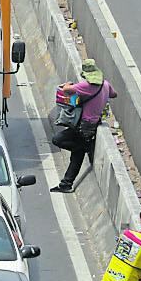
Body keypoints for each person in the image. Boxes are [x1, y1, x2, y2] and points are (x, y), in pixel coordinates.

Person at [49, 58, 116, 193]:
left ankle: (84, 148)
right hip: (94, 124)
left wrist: (68, 84)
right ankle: (66, 184)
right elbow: (114, 94)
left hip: (84, 126)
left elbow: (67, 90)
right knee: (76, 154)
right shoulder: (106, 84)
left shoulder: (86, 86)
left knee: (58, 139)